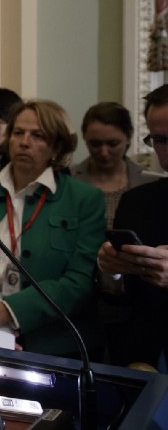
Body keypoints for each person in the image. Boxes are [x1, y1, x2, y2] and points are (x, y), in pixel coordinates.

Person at [0, 100, 106, 358]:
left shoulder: (84, 199)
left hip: (55, 343)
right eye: (18, 133)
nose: (24, 142)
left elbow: (80, 282)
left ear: (57, 146)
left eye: (38, 135)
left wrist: (10, 311)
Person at [97, 84, 168, 368]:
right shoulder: (136, 202)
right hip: (144, 360)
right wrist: (111, 271)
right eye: (160, 139)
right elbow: (121, 299)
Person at [71, 102, 159, 229]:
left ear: (128, 137)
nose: (104, 152)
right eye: (95, 144)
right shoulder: (68, 179)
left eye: (113, 144)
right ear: (85, 138)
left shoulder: (149, 182)